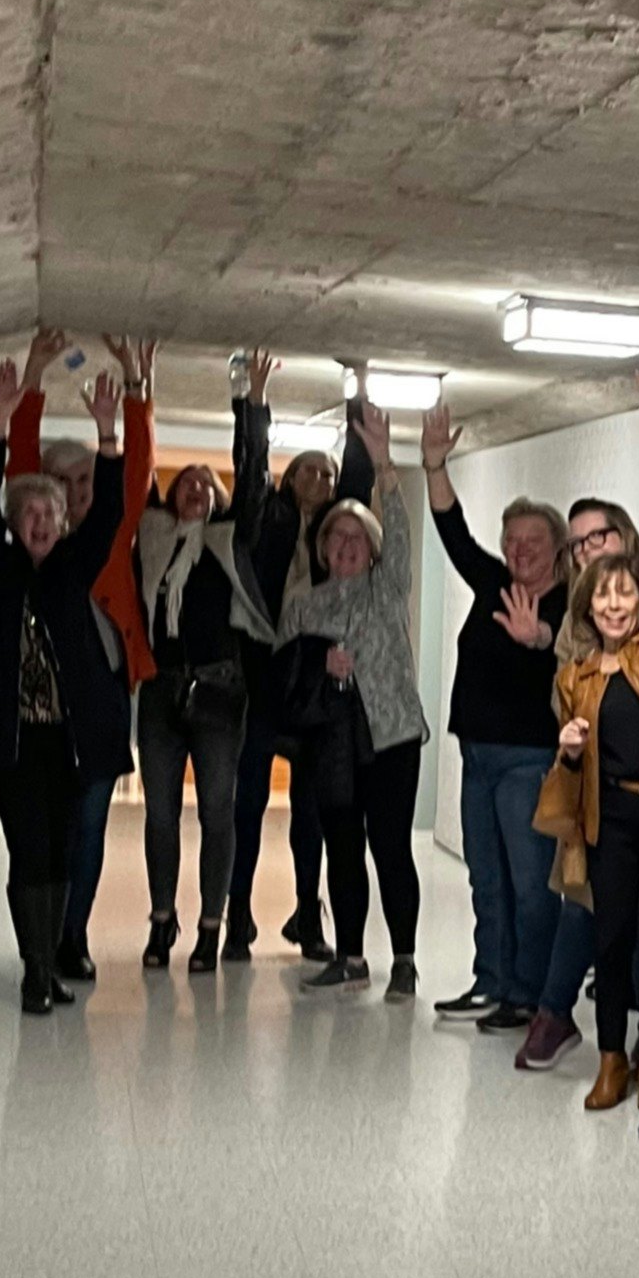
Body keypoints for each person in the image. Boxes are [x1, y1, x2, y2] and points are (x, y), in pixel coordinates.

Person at [0, 358, 128, 1014]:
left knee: (61, 851)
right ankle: (36, 969)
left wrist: (108, 434)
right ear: (14, 519)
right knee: (28, 849)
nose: (39, 520)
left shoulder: (72, 569)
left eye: (50, 512)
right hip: (12, 741)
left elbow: (112, 510)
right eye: (29, 511)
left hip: (70, 740)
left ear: (63, 522)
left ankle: (50, 957)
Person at [1, 330, 156, 982]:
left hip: (101, 695)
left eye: (84, 478)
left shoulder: (111, 531)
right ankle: (44, 938)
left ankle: (72, 937)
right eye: (61, 483)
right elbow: (20, 465)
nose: (74, 490)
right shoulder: (38, 539)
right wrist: (32, 382)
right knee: (50, 826)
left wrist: (133, 392)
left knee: (89, 822)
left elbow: (136, 469)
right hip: (41, 707)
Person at [419, 399, 572, 1034]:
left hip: (529, 760)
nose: (517, 552)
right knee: (488, 879)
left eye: (531, 543)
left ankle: (531, 995)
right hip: (478, 756)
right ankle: (492, 981)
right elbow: (455, 534)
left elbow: (565, 659)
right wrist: (434, 465)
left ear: (557, 549)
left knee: (531, 886)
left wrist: (539, 640)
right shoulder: (494, 585)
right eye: (511, 542)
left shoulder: (569, 604)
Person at [284, 400, 430, 997]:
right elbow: (285, 673)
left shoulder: (387, 588)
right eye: (335, 537)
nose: (345, 545)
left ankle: (403, 958)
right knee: (342, 847)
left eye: (356, 538)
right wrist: (319, 664)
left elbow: (398, 533)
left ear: (371, 551)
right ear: (323, 550)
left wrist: (383, 464)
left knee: (390, 848)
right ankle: (349, 955)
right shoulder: (304, 603)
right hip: (333, 744)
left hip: (392, 737)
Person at [125, 354, 260, 974]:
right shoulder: (152, 536)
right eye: (188, 483)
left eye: (207, 485)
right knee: (159, 815)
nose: (196, 490)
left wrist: (251, 405)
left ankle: (211, 925)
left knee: (215, 813)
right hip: (160, 693)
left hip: (220, 693)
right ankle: (161, 923)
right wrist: (138, 389)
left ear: (217, 499)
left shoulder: (227, 540)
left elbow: (254, 479)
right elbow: (136, 472)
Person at [536, 554, 639, 1111]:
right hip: (610, 817)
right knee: (612, 940)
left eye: (626, 593)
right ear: (587, 607)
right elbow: (570, 768)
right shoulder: (575, 677)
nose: (615, 605)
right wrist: (568, 751)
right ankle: (611, 1059)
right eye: (603, 595)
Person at [229, 372, 343, 963]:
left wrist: (359, 398)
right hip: (265, 687)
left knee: (312, 817)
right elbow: (250, 472)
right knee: (247, 809)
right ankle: (237, 919)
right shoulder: (267, 521)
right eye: (309, 471)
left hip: (314, 693)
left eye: (327, 473)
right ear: (291, 477)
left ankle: (308, 917)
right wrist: (254, 406)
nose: (319, 481)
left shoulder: (337, 536)